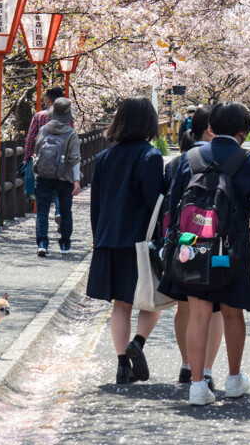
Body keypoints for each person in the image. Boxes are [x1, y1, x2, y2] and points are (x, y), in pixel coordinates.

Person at [161, 102, 250, 406]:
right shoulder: (248, 160)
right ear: (245, 131)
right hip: (231, 250)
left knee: (199, 314)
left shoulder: (190, 158)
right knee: (232, 311)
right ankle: (233, 379)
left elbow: (173, 202)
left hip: (193, 248)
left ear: (211, 127)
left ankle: (198, 385)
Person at [87, 96, 165, 383]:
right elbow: (154, 201)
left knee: (120, 304)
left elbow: (96, 204)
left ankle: (122, 365)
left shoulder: (104, 157)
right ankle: (138, 343)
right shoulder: (151, 156)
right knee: (150, 300)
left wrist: (99, 238)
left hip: (109, 238)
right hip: (140, 241)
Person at [165, 106, 226, 389]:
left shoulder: (177, 162)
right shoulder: (227, 159)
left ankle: (187, 364)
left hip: (185, 246)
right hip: (217, 245)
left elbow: (169, 205)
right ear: (211, 129)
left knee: (184, 305)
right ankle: (209, 369)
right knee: (214, 309)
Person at [33, 97, 81, 255]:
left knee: (42, 211)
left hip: (44, 176)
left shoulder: (44, 130)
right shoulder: (71, 134)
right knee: (65, 211)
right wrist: (76, 180)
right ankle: (65, 245)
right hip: (64, 178)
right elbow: (74, 159)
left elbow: (38, 149)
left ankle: (42, 243)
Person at [24, 86, 65, 219]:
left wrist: (27, 157)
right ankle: (59, 211)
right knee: (60, 187)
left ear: (48, 100)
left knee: (43, 188)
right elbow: (71, 137)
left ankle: (42, 226)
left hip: (42, 159)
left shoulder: (39, 116)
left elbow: (30, 138)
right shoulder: (67, 118)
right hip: (61, 158)